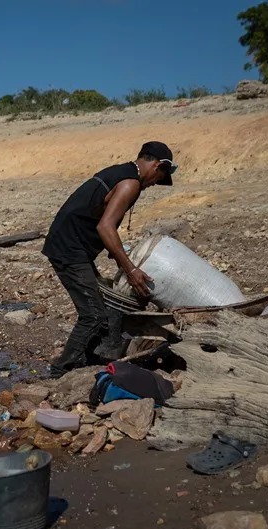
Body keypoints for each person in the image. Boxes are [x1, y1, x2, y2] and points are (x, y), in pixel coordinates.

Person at [41, 141, 177, 378]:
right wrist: (131, 270)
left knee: (100, 307)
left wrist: (121, 260)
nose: (154, 183)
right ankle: (60, 371)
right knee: (93, 315)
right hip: (69, 249)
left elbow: (102, 223)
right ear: (157, 166)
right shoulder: (130, 183)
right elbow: (106, 227)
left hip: (70, 245)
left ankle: (90, 360)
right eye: (159, 177)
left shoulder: (121, 173)